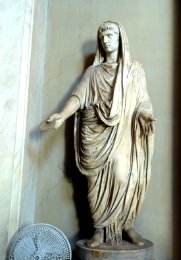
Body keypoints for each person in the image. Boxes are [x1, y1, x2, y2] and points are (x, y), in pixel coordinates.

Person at [43, 21, 155, 247]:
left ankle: (127, 224)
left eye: (110, 34)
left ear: (121, 38)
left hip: (122, 133)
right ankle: (99, 230)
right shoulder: (93, 73)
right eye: (102, 36)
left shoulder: (135, 71)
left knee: (125, 176)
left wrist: (145, 116)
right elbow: (78, 98)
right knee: (93, 184)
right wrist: (62, 115)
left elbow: (142, 100)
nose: (106, 39)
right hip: (95, 134)